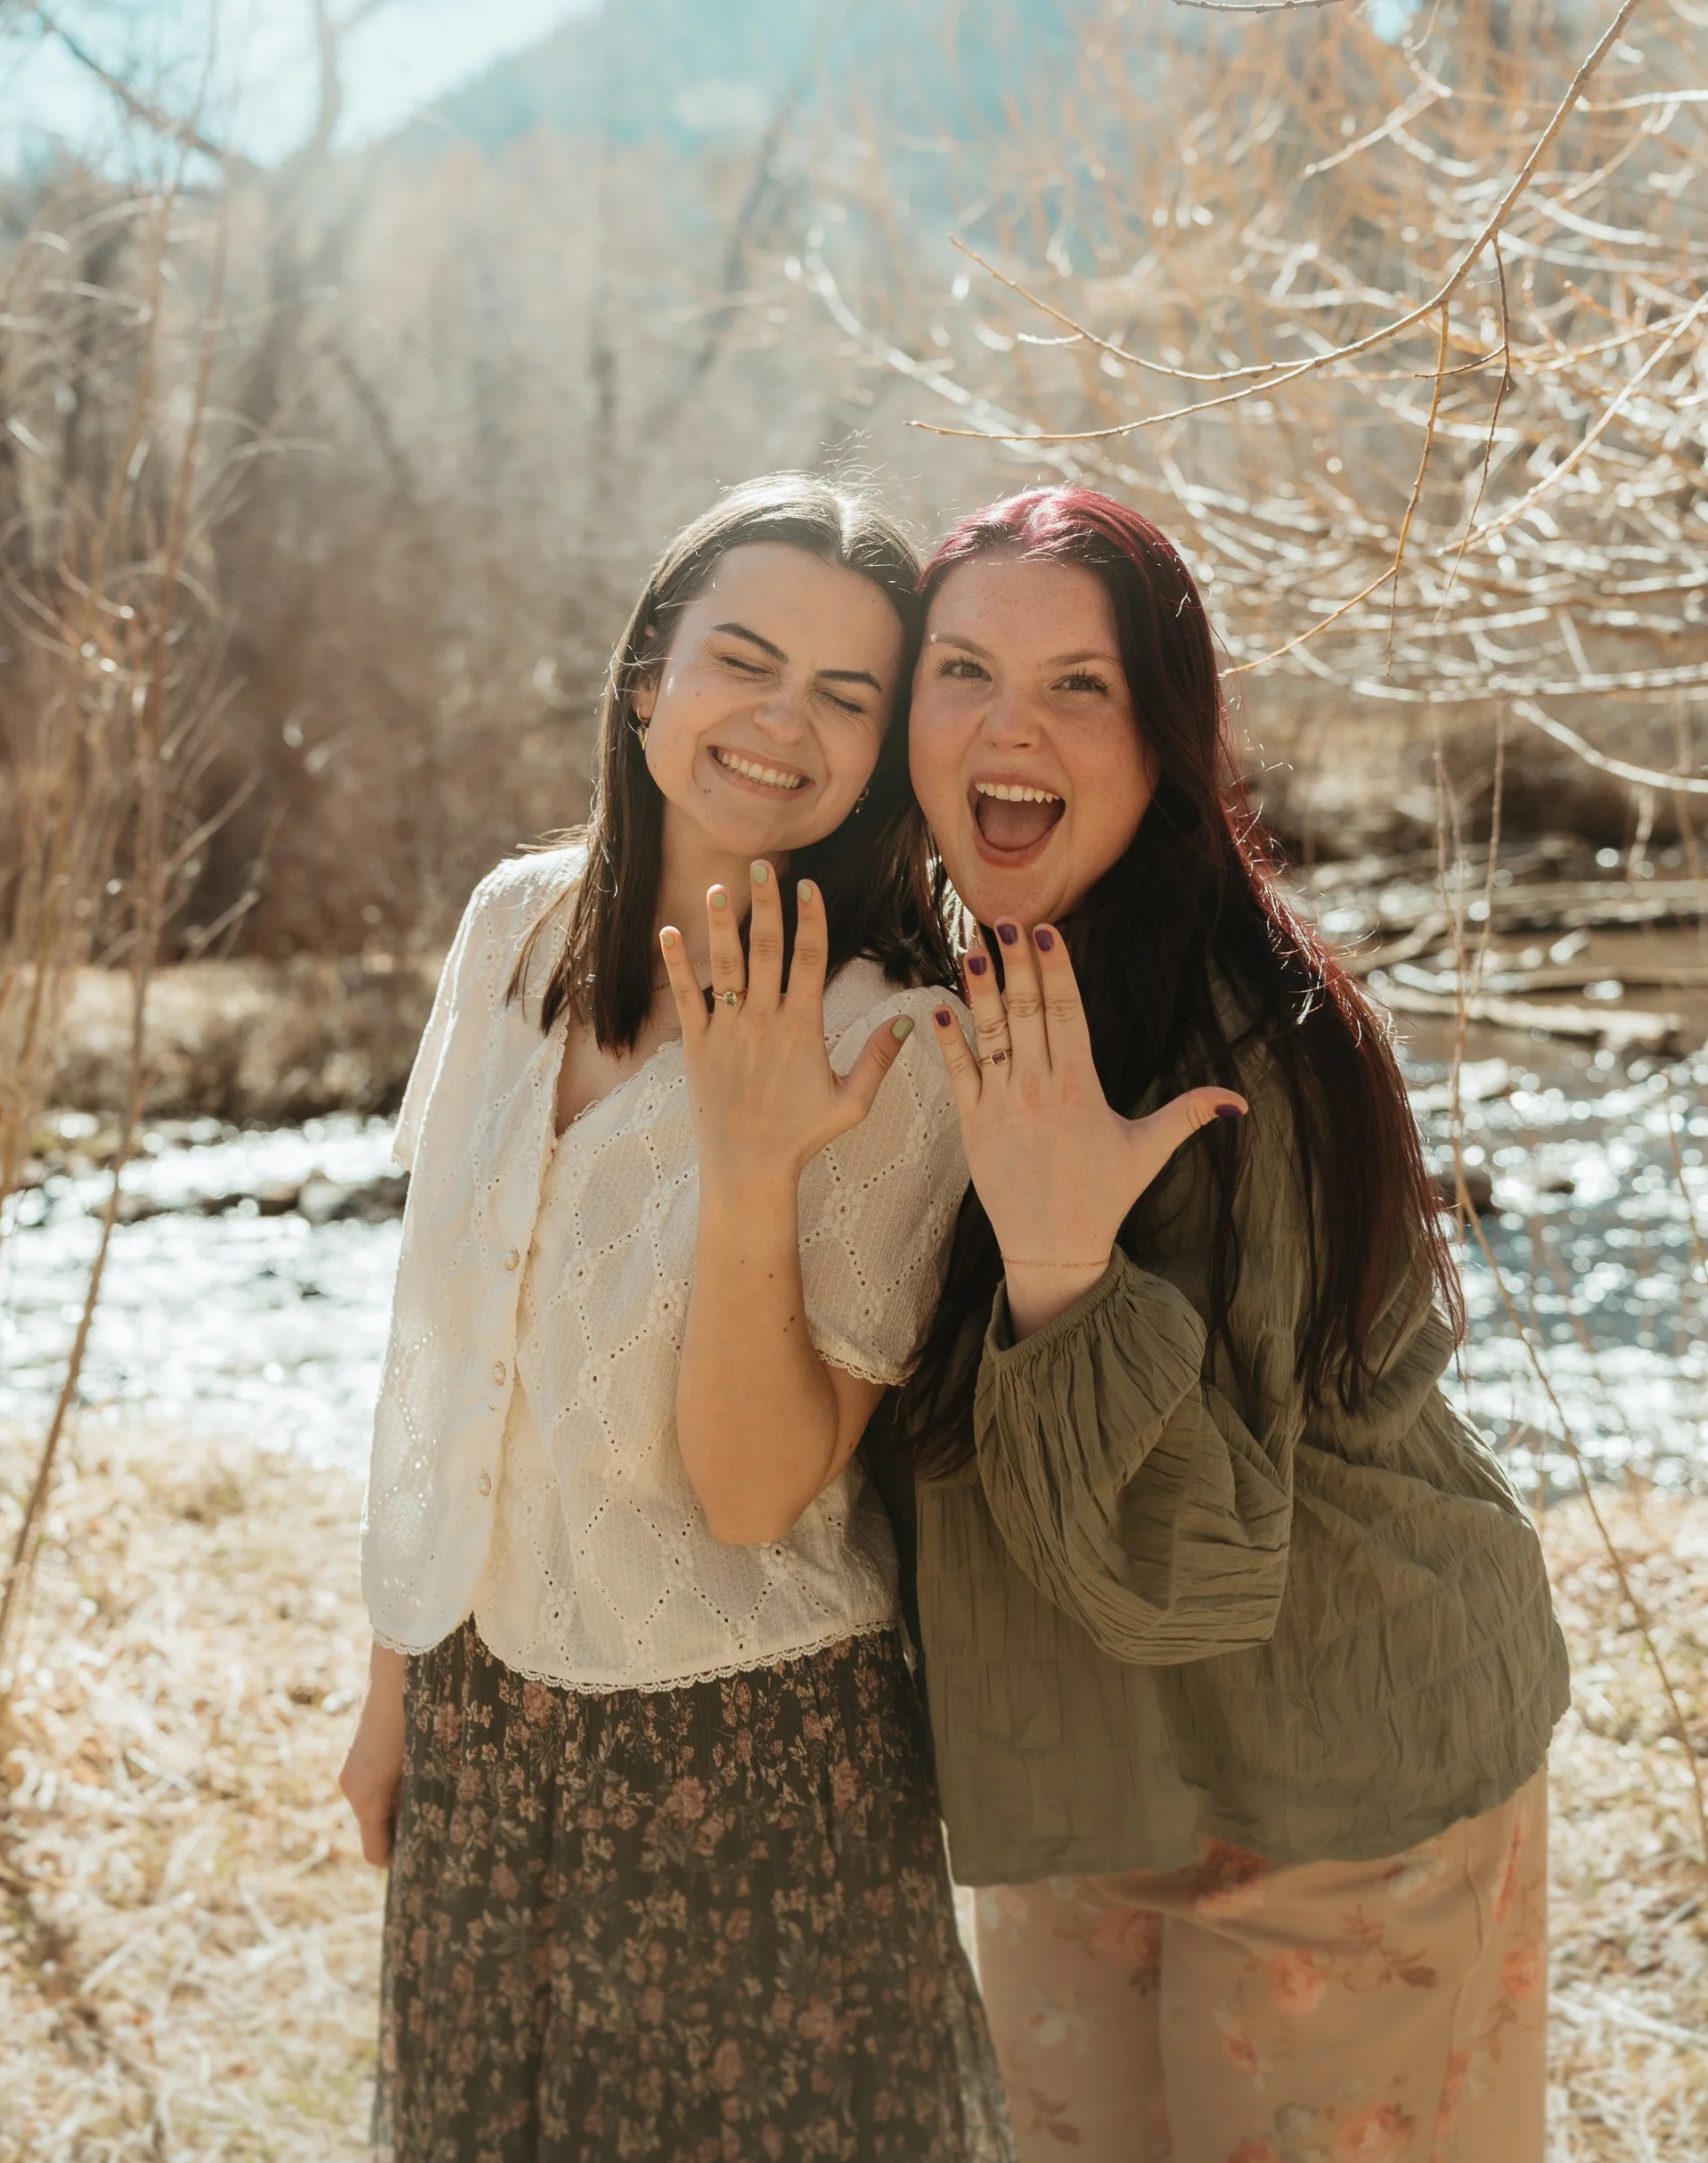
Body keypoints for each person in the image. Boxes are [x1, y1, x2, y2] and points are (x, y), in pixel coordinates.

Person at [339, 477, 1017, 2163]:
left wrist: (750, 1164)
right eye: (745, 659)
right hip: (487, 1724)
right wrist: (394, 1687)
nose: (783, 722)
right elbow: (444, 1346)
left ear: (878, 758)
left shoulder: (894, 1047)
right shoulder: (514, 923)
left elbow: (750, 1491)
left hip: (750, 1763)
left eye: (847, 697)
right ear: (648, 675)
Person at [893, 486, 1569, 2163]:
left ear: (1168, 734)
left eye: (1079, 685)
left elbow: (1192, 1569)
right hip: (1092, 1787)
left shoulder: (1252, 1043)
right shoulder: (975, 975)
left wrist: (1058, 1263)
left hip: (1350, 1788)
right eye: (961, 669)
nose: (1008, 727)